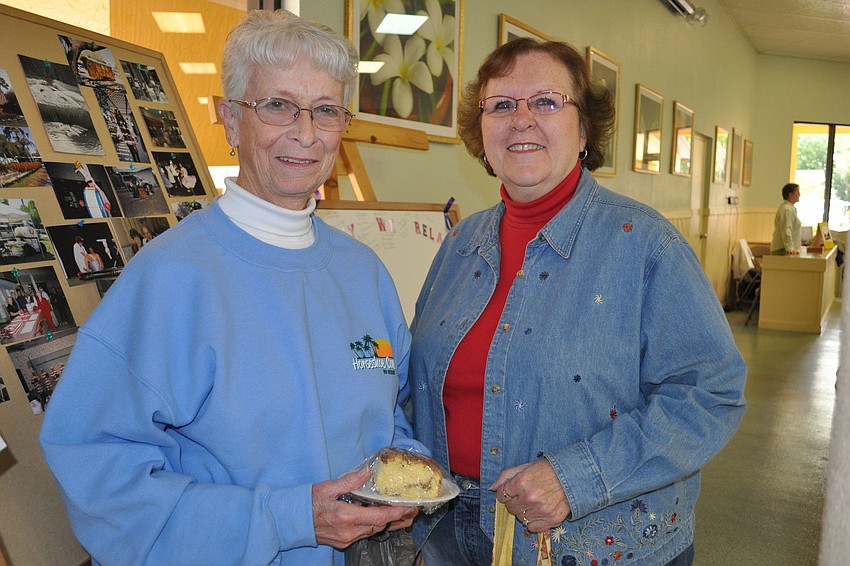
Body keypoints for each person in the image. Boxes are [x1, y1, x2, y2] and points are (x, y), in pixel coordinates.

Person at [41, 10, 423, 565]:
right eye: (277, 106)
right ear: (228, 117)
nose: (306, 133)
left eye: (326, 111)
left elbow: (393, 417)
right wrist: (290, 518)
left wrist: (405, 471)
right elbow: (98, 476)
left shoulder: (364, 273)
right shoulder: (170, 279)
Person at [408, 37, 747, 566]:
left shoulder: (644, 245)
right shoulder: (458, 246)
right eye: (501, 104)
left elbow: (712, 393)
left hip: (594, 542)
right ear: (481, 131)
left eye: (545, 101)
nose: (521, 120)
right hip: (451, 537)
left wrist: (578, 476)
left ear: (584, 129)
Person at [770, 182, 802, 255]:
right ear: (790, 195)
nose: (799, 195)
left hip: (785, 249)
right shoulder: (787, 209)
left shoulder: (789, 208)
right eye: (797, 193)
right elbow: (787, 230)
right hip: (782, 250)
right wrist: (790, 248)